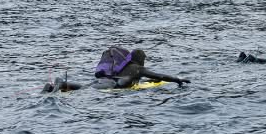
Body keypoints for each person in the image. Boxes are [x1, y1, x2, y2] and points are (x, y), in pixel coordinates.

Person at [43, 47, 190, 92]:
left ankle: (54, 86)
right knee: (85, 90)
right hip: (110, 85)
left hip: (106, 81)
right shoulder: (138, 69)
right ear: (140, 59)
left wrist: (155, 80)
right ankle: (60, 83)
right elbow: (161, 75)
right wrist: (177, 80)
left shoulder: (125, 66)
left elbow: (153, 78)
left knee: (85, 87)